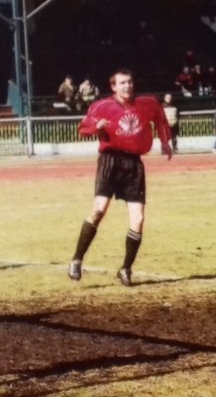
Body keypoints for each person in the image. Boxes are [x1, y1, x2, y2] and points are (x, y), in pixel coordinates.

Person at [67, 68, 172, 287]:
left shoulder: (147, 103)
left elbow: (160, 119)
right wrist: (96, 126)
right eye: (122, 83)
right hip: (110, 160)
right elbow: (84, 127)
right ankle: (77, 259)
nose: (127, 86)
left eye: (130, 82)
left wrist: (165, 140)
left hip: (134, 164)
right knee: (98, 210)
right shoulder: (102, 106)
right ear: (113, 86)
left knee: (139, 219)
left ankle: (125, 269)